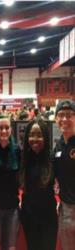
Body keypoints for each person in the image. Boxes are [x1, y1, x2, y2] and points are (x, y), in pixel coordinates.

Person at [20, 119, 58, 250]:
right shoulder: (23, 158)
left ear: (46, 137)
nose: (35, 139)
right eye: (31, 135)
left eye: (39, 135)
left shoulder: (52, 158)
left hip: (48, 216)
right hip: (28, 215)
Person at [0, 116, 21, 250]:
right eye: (1, 128)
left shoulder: (17, 150)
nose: (4, 131)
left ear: (11, 130)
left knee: (11, 247)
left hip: (12, 208)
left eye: (7, 128)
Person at [53, 100, 75, 250]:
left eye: (69, 115)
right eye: (61, 115)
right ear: (56, 119)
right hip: (66, 208)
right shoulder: (59, 145)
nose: (65, 119)